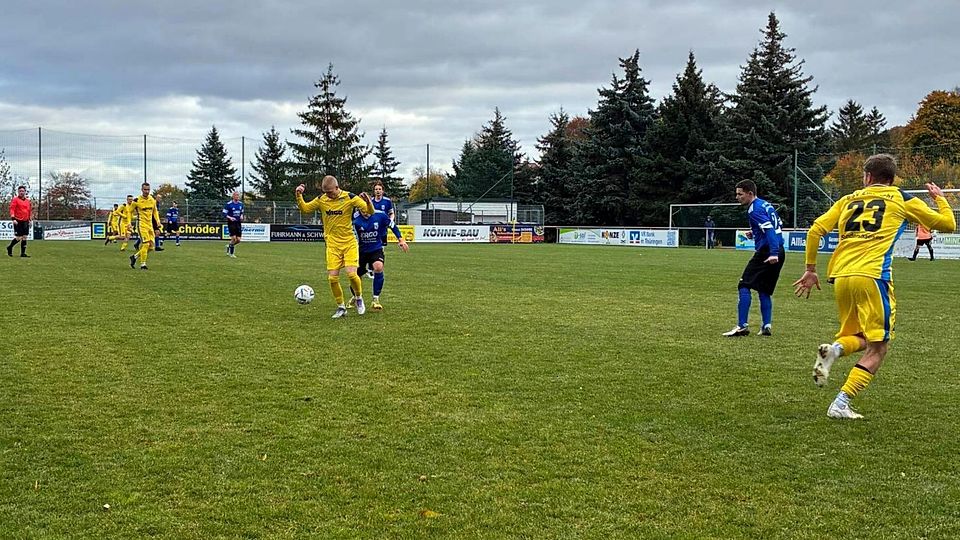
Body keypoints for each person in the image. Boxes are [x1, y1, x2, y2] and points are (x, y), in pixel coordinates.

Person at [793, 154, 955, 420]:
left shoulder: (848, 199)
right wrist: (939, 198)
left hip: (842, 276)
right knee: (879, 348)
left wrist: (811, 270)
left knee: (862, 335)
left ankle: (834, 351)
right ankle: (841, 403)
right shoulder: (901, 198)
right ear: (891, 179)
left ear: (868, 177)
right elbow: (948, 224)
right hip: (872, 276)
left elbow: (815, 231)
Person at [295, 175, 374, 318]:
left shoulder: (350, 197)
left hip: (349, 242)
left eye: (330, 192)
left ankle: (358, 298)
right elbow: (305, 209)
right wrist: (299, 195)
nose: (329, 195)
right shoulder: (322, 199)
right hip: (332, 244)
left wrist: (369, 203)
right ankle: (341, 307)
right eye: (326, 192)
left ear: (337, 188)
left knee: (351, 274)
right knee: (332, 279)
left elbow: (370, 212)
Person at [723, 180, 785, 337]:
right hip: (779, 249)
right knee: (764, 290)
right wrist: (755, 233)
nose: (737, 197)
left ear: (750, 193)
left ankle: (742, 325)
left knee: (744, 285)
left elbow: (770, 230)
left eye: (740, 194)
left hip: (768, 251)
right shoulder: (765, 204)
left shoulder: (754, 209)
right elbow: (776, 226)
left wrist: (772, 252)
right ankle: (766, 326)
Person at [349, 209, 409, 310]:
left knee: (378, 267)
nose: (365, 212)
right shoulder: (354, 218)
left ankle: (375, 299)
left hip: (375, 248)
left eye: (366, 209)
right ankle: (356, 297)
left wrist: (401, 239)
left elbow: (393, 226)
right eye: (362, 209)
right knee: (355, 275)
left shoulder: (380, 215)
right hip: (359, 251)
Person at [127, 182, 164, 270]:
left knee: (151, 247)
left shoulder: (152, 200)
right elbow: (129, 211)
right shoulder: (136, 201)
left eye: (148, 189)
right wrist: (129, 223)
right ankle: (143, 264)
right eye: (145, 189)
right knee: (146, 244)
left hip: (150, 225)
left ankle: (134, 257)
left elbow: (155, 212)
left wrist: (158, 222)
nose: (147, 191)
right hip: (141, 225)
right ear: (141, 190)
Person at [7, 185, 32, 258]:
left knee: (25, 237)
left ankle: (23, 253)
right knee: (19, 237)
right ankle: (10, 247)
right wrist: (13, 218)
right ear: (18, 192)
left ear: (25, 192)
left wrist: (30, 220)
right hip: (18, 220)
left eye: (23, 191)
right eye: (20, 191)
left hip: (26, 221)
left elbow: (29, 211)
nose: (21, 192)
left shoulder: (28, 201)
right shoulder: (15, 200)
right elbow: (12, 209)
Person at [223, 191, 243, 258]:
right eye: (236, 195)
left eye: (238, 195)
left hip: (238, 223)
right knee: (234, 238)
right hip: (231, 223)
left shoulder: (241, 204)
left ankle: (229, 246)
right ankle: (231, 253)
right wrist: (230, 217)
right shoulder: (229, 204)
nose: (237, 196)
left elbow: (242, 212)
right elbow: (224, 213)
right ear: (233, 196)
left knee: (238, 240)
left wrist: (241, 216)